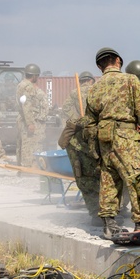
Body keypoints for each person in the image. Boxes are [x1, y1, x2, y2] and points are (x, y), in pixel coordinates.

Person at [84, 47, 140, 238]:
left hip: (104, 137)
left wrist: (95, 146)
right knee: (137, 177)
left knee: (109, 178)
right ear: (118, 61)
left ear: (100, 66)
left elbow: (89, 122)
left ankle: (109, 224)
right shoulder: (130, 80)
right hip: (126, 135)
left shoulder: (94, 88)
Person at [59, 71, 100, 219]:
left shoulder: (74, 92)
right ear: (91, 81)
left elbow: (65, 110)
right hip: (96, 134)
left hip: (78, 137)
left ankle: (94, 209)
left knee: (83, 174)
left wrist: (78, 120)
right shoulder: (97, 90)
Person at [16, 64, 48, 168]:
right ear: (34, 76)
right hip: (28, 119)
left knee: (23, 143)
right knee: (30, 144)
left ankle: (23, 166)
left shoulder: (21, 84)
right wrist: (30, 123)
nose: (37, 78)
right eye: (37, 76)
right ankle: (28, 167)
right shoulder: (28, 87)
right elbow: (27, 105)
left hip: (22, 118)